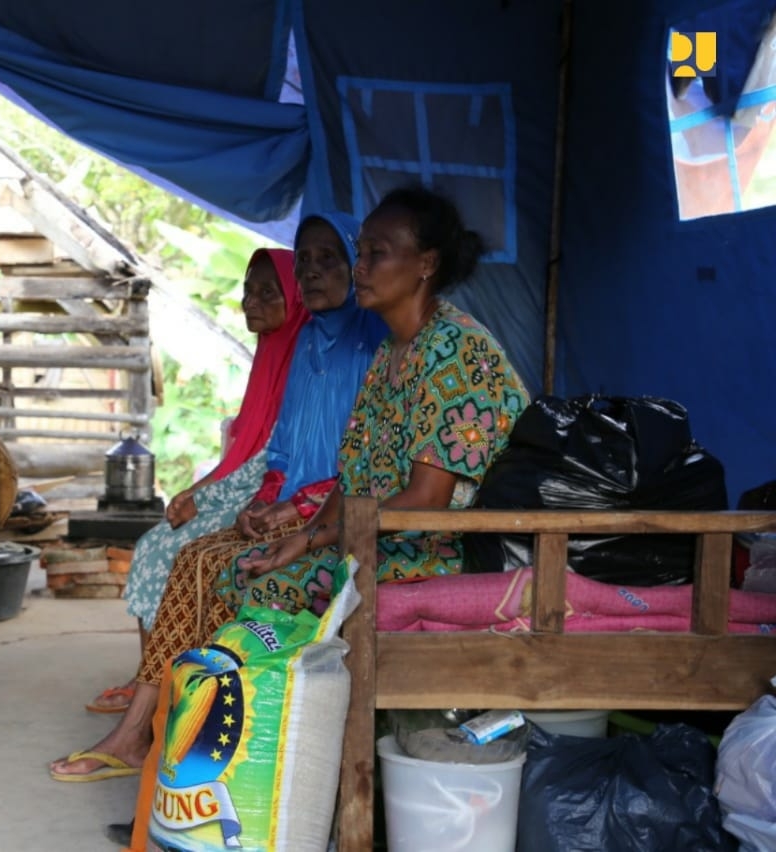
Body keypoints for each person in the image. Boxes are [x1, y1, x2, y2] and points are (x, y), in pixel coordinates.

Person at [49, 211, 386, 781]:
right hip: (289, 508)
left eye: (329, 258)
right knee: (189, 560)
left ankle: (181, 738)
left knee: (216, 568)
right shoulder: (307, 341)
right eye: (303, 259)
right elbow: (281, 448)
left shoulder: (374, 343)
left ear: (359, 263)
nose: (311, 272)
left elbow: (368, 462)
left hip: (333, 518)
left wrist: (297, 508)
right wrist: (268, 497)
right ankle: (152, 732)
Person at [227, 184, 530, 610]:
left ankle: (283, 678)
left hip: (444, 548)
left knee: (269, 587)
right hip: (381, 537)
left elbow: (427, 501)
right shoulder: (391, 350)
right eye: (360, 252)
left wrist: (316, 540)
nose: (360, 267)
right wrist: (303, 536)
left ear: (426, 263)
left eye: (376, 254)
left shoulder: (454, 351)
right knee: (241, 571)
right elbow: (352, 479)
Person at [86, 248, 309, 715]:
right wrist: (198, 491)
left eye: (269, 293)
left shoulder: (307, 356)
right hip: (251, 486)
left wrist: (204, 497)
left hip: (279, 494)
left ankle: (161, 691)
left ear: (298, 297)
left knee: (167, 550)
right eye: (249, 291)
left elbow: (273, 462)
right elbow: (244, 451)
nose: (252, 302)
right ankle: (150, 676)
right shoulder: (272, 351)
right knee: (154, 544)